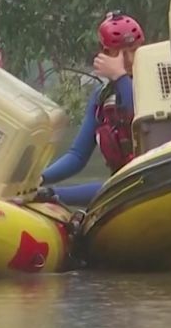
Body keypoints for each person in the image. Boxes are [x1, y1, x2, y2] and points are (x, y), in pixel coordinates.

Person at [36, 12, 145, 207]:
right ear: (105, 55)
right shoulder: (101, 97)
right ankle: (46, 193)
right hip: (123, 185)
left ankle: (51, 194)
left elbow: (136, 114)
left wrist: (120, 76)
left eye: (134, 51)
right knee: (46, 193)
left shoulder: (159, 81)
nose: (129, 60)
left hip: (150, 179)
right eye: (119, 53)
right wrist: (41, 178)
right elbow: (77, 156)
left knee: (119, 187)